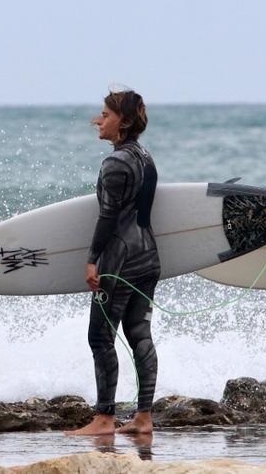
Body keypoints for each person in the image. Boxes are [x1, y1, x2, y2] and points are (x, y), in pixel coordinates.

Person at [65, 89, 160, 436]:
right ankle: (144, 419)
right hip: (149, 255)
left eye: (105, 115)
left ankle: (104, 418)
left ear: (124, 122)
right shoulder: (146, 158)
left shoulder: (115, 163)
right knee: (140, 334)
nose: (98, 120)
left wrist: (93, 261)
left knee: (100, 338)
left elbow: (108, 217)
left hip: (119, 261)